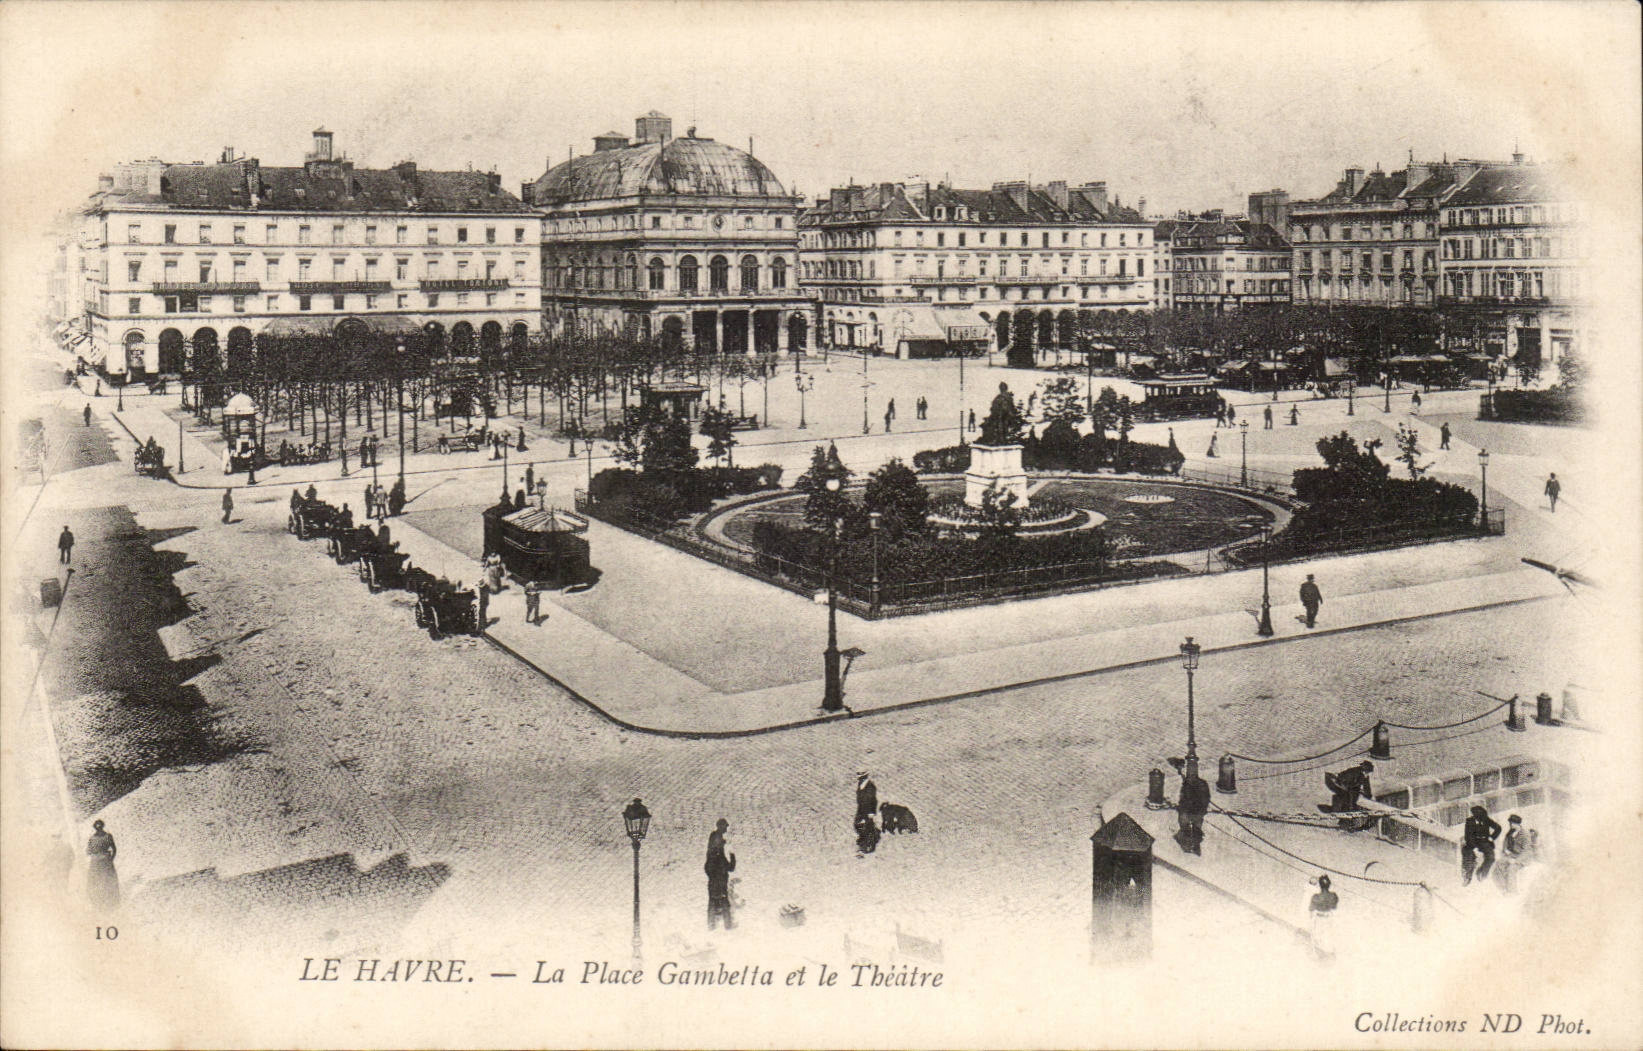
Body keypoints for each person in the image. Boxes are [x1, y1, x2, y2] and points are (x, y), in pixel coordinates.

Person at [705, 818, 736, 929]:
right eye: (725, 827)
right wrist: (732, 854)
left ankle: (712, 925)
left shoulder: (712, 852)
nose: (726, 829)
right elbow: (731, 867)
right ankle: (727, 925)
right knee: (723, 901)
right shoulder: (719, 855)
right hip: (720, 879)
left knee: (713, 901)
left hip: (714, 878)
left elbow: (708, 867)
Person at [1461, 805, 1501, 885]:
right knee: (1469, 857)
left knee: (1491, 857)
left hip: (1484, 842)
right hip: (1472, 843)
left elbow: (1498, 828)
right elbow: (1468, 836)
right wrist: (1474, 848)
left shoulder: (1486, 819)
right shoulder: (1469, 821)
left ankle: (1483, 874)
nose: (1481, 819)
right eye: (1479, 817)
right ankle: (1467, 877)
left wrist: (1492, 837)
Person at [1175, 764, 1210, 855]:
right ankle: (1188, 767)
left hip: (1189, 810)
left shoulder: (1185, 824)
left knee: (1188, 790)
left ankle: (1186, 768)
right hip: (1195, 809)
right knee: (1191, 788)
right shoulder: (1196, 829)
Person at [86, 819, 119, 911]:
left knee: (97, 881)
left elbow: (88, 851)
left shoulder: (92, 838)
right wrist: (110, 859)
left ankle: (99, 902)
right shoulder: (107, 836)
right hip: (105, 861)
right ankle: (108, 902)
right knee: (106, 881)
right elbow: (114, 849)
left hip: (96, 862)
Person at [1498, 814, 1534, 892]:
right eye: (1510, 823)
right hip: (1512, 855)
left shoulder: (1525, 834)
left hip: (1523, 858)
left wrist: (1516, 861)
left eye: (1511, 823)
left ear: (1516, 824)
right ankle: (1508, 884)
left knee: (1511, 868)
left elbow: (1526, 851)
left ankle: (1512, 891)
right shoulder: (1511, 832)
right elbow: (1505, 841)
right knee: (1500, 863)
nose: (1510, 825)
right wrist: (1505, 849)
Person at [1308, 875, 1338, 960]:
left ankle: (1319, 956)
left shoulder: (1316, 897)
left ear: (1320, 885)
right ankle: (1329, 955)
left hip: (1319, 918)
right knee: (1328, 937)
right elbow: (1334, 907)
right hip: (1328, 918)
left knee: (1317, 938)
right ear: (1329, 885)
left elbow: (1311, 909)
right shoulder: (1333, 896)